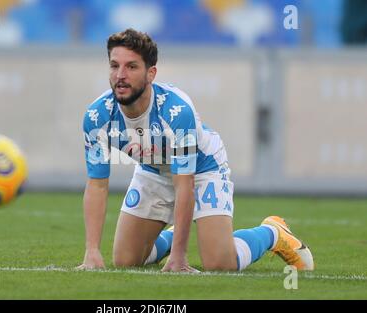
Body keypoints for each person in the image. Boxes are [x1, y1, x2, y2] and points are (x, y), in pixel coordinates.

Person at [76, 28, 314, 273]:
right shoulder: (97, 118)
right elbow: (97, 184)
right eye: (114, 66)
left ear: (151, 73)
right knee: (126, 260)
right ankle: (171, 236)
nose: (120, 75)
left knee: (219, 263)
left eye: (131, 67)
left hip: (202, 168)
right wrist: (91, 251)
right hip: (153, 168)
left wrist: (180, 256)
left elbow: (184, 183)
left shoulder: (176, 112)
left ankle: (272, 233)